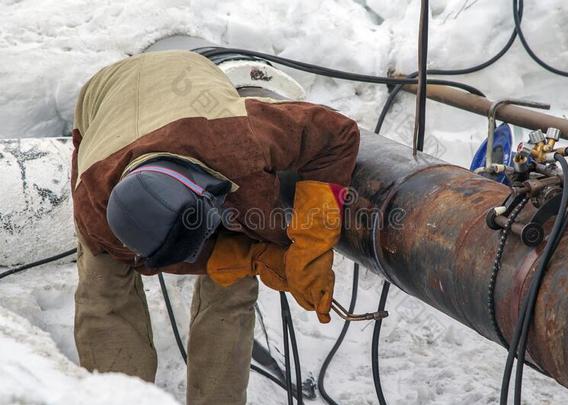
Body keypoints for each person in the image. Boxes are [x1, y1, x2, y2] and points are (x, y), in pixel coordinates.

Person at [71, 50, 360, 405]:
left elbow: (338, 134)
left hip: (186, 74)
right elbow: (176, 255)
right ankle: (117, 398)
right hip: (105, 97)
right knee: (103, 290)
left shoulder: (239, 137)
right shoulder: (96, 214)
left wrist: (312, 243)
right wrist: (253, 257)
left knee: (233, 282)